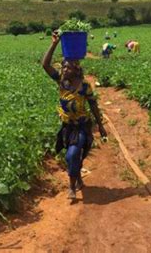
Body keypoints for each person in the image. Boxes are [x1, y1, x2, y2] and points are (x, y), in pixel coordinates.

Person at [42, 32, 107, 200]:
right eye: (63, 66)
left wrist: (100, 125)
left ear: (76, 69)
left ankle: (71, 187)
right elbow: (45, 65)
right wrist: (54, 44)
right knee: (72, 155)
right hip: (67, 127)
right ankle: (76, 178)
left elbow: (93, 105)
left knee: (73, 155)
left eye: (67, 66)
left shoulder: (85, 86)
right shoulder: (62, 82)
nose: (64, 69)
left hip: (82, 126)